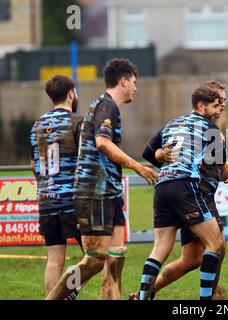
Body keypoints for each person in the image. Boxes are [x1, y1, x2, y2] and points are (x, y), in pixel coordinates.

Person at [46, 58, 158, 300]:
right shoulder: (107, 106)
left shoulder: (107, 106)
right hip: (94, 193)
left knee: (115, 258)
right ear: (124, 81)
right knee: (96, 260)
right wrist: (138, 167)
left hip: (110, 192)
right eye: (134, 83)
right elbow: (103, 143)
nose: (136, 89)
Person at [131, 81, 228, 300]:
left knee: (160, 249)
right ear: (201, 106)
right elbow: (219, 166)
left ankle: (143, 297)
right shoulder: (210, 128)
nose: (221, 109)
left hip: (163, 187)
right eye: (217, 104)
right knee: (216, 244)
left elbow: (148, 152)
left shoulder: (172, 123)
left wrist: (161, 156)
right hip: (189, 188)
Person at [30, 75, 83, 298]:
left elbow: (34, 165)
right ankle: (67, 293)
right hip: (72, 200)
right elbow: (86, 161)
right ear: (71, 93)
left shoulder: (36, 126)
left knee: (54, 258)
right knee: (97, 255)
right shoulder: (77, 122)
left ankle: (55, 295)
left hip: (46, 200)